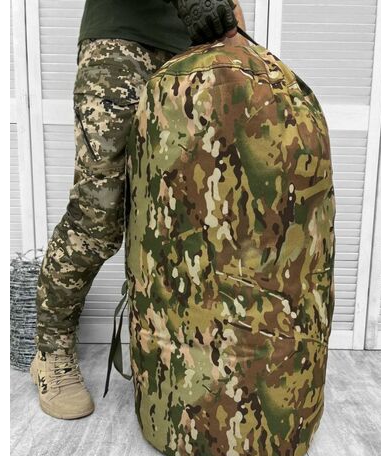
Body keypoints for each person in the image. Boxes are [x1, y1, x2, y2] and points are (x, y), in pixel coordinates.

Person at [30, 0, 247, 420]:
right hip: (120, 42)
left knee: (179, 219)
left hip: (194, 52)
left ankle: (169, 358)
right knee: (98, 215)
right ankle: (51, 351)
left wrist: (234, 36)